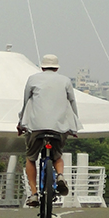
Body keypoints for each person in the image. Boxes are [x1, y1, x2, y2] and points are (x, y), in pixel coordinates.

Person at [16, 54, 82, 207]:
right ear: (57, 67)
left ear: (42, 66)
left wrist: (21, 124)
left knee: (31, 158)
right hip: (59, 127)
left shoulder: (33, 79)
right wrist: (74, 125)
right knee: (57, 155)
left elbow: (26, 102)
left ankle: (33, 194)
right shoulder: (65, 80)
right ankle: (59, 176)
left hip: (36, 127)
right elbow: (72, 102)